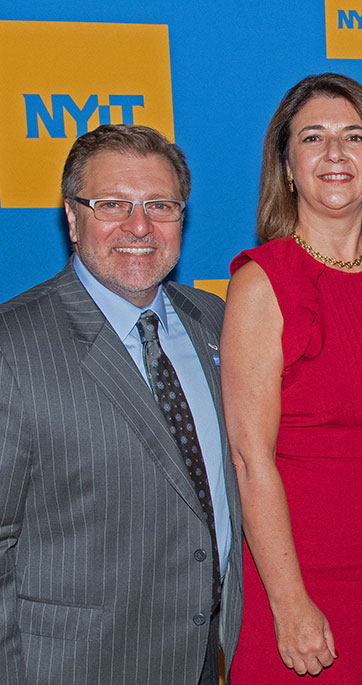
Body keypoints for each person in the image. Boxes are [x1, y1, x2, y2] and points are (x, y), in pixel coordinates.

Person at [0, 124, 241, 683]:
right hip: (75, 666)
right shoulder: (14, 346)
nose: (139, 226)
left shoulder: (219, 321)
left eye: (160, 205)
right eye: (112, 204)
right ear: (72, 215)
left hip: (209, 658)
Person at [222, 73, 362, 682]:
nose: (335, 154)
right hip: (302, 576)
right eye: (313, 138)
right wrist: (288, 602)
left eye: (354, 136)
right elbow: (249, 457)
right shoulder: (262, 282)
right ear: (287, 167)